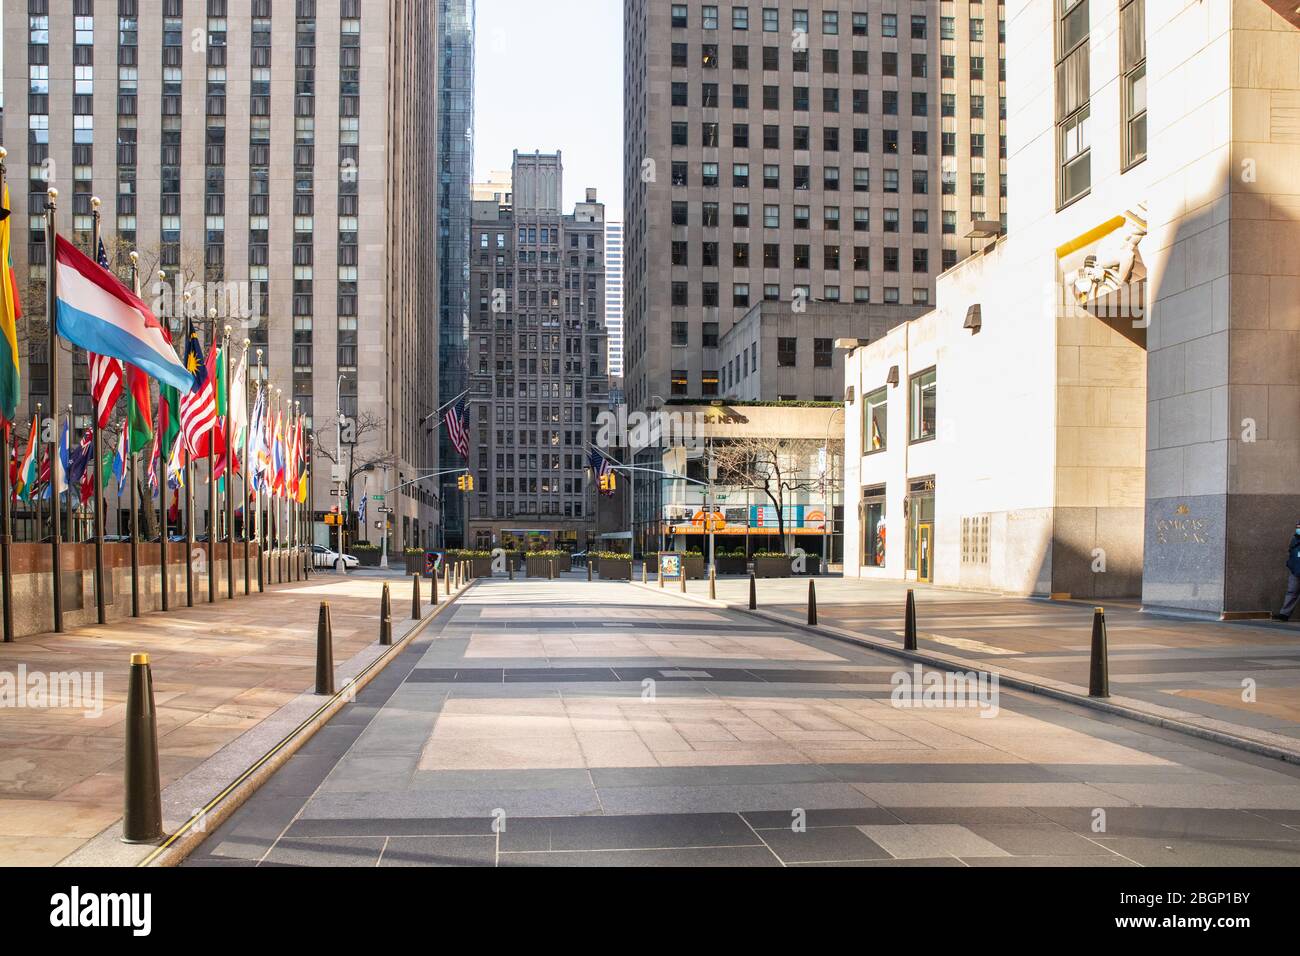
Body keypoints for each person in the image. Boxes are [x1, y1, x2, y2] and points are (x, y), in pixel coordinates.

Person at [1273, 521, 1300, 621]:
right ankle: (1284, 615)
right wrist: (1290, 564)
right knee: (1291, 592)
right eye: (1297, 526)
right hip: (1295, 571)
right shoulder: (1294, 539)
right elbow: (1291, 552)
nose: (1298, 529)